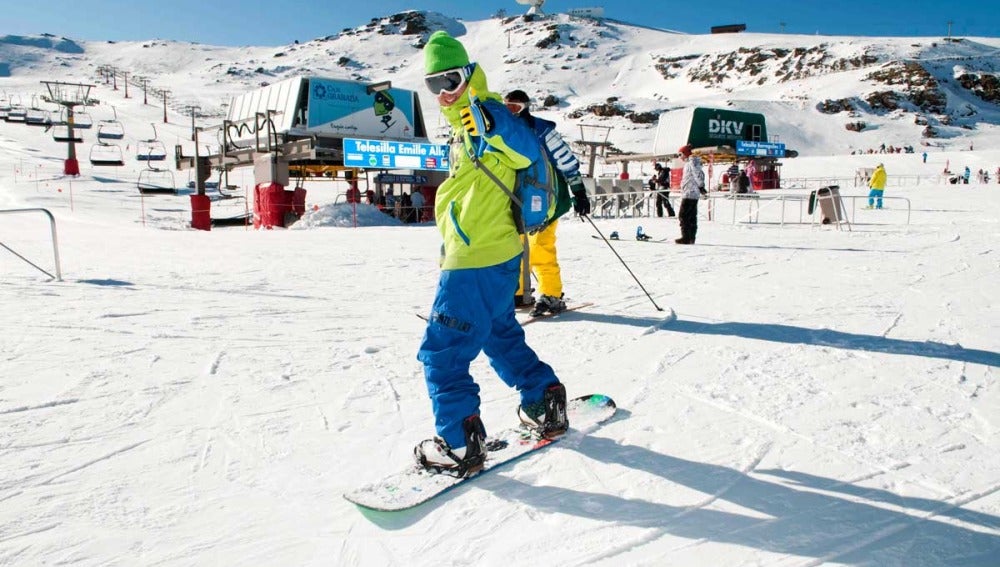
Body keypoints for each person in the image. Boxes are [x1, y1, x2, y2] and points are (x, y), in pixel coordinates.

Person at [413, 31, 567, 477]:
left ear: (469, 73)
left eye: (452, 80)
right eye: (434, 85)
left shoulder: (486, 113)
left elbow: (519, 149)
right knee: (499, 333)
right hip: (496, 253)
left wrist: (489, 124)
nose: (444, 93)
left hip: (475, 259)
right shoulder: (466, 119)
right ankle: (543, 399)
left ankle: (459, 444)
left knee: (443, 352)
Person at [503, 89, 591, 317]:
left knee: (541, 247)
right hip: (517, 201)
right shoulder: (505, 132)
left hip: (547, 201)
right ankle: (520, 292)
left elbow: (567, 162)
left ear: (526, 107)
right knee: (515, 247)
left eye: (516, 107)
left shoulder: (542, 131)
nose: (511, 112)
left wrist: (579, 191)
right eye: (507, 107)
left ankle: (552, 295)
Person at [675, 145, 704, 244]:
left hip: (690, 193)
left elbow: (698, 174)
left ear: (686, 153)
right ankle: (691, 237)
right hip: (690, 192)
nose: (680, 157)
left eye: (681, 154)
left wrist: (701, 186)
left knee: (683, 215)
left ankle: (686, 237)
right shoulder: (691, 162)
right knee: (691, 216)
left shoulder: (692, 162)